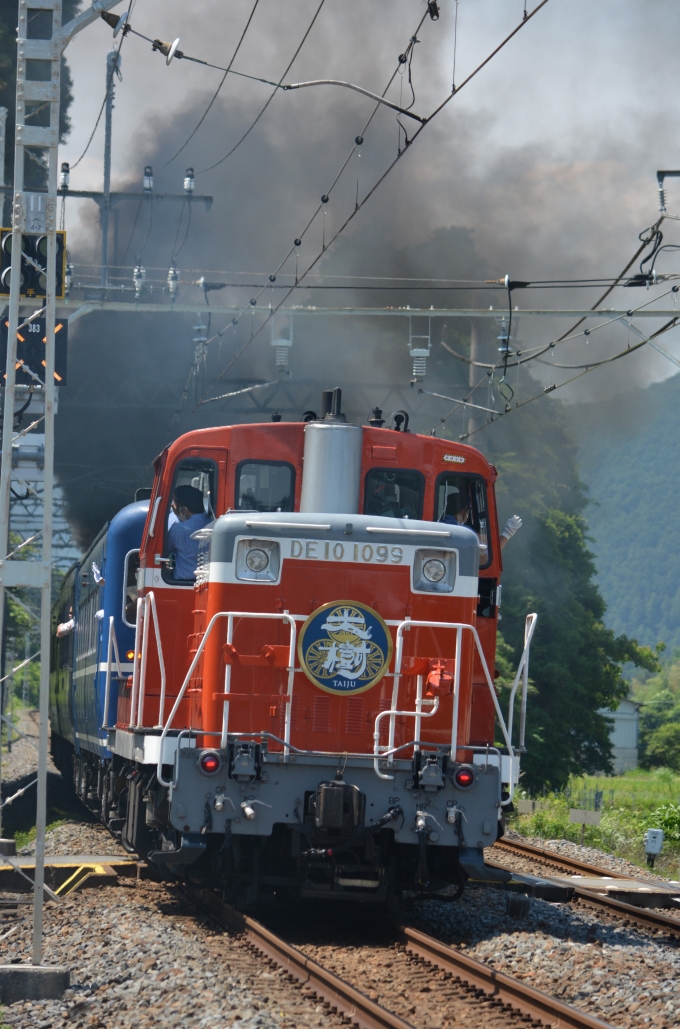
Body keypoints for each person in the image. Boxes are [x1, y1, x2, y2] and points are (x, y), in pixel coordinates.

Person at [167, 485, 210, 580]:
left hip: (182, 583)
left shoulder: (177, 529)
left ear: (184, 509)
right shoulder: (213, 524)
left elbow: (164, 552)